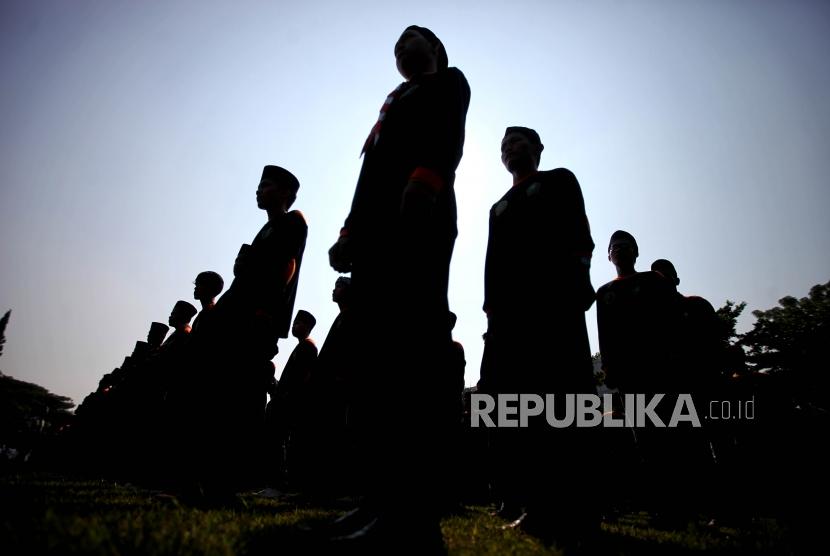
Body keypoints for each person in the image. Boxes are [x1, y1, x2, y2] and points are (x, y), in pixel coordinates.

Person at [326, 25, 470, 550]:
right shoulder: (389, 107)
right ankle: (378, 500)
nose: (400, 48)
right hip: (376, 234)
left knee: (412, 355)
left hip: (419, 218)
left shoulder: (447, 83)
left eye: (412, 39)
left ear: (435, 49)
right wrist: (348, 232)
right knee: (376, 365)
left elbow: (444, 140)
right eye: (394, 45)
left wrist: (426, 181)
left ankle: (412, 512)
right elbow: (369, 179)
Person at [478, 126, 597, 546]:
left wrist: (577, 278)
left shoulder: (558, 180)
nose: (512, 149)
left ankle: (578, 501)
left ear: (538, 148)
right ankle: (525, 497)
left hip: (554, 303)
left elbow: (580, 234)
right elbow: (493, 264)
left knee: (565, 396)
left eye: (520, 142)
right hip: (512, 317)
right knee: (516, 402)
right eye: (505, 146)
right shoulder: (498, 208)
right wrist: (492, 312)